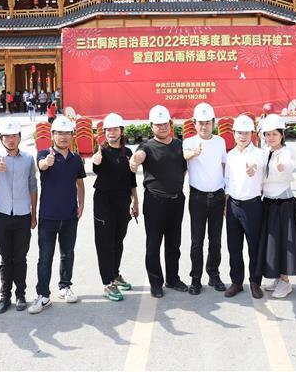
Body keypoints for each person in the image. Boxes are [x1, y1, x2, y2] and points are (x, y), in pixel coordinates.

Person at [129, 105, 188, 298]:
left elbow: (184, 168)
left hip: (176, 200)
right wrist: (135, 160)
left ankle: (173, 278)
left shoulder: (179, 144)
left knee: (174, 244)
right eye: (158, 124)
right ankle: (156, 282)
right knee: (153, 244)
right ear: (151, 126)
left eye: (165, 124)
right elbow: (139, 157)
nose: (162, 127)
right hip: (155, 202)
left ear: (170, 124)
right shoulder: (146, 146)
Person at [31, 116, 85, 312]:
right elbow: (41, 165)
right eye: (59, 133)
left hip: (70, 216)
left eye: (67, 133)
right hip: (48, 216)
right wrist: (47, 162)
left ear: (72, 135)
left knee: (67, 254)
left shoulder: (76, 159)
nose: (63, 137)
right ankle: (43, 295)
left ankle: (65, 286)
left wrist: (81, 204)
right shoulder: (44, 154)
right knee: (45, 257)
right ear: (52, 135)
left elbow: (80, 183)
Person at [0, 118, 38, 314]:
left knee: (20, 258)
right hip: (2, 215)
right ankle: (5, 296)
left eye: (14, 136)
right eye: (6, 136)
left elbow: (33, 186)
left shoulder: (28, 159)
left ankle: (21, 295)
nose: (10, 139)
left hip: (23, 214)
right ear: (1, 138)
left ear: (19, 137)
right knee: (5, 258)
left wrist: (34, 213)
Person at [257, 114, 296, 299]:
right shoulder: (264, 151)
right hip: (268, 202)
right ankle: (277, 277)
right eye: (267, 134)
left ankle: (285, 281)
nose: (271, 137)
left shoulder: (287, 152)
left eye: (274, 134)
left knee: (285, 242)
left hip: (283, 203)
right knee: (272, 242)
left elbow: (288, 165)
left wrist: (282, 167)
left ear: (282, 135)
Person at [91, 113, 139, 302]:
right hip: (104, 203)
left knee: (118, 241)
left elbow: (132, 179)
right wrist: (96, 161)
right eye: (108, 130)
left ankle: (115, 274)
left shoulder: (127, 152)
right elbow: (96, 166)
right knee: (105, 243)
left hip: (122, 202)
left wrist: (135, 201)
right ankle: (107, 282)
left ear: (121, 131)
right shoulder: (101, 151)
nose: (112, 132)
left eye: (115, 129)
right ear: (104, 132)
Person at [183, 102, 228, 294]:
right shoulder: (188, 142)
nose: (204, 126)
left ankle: (214, 275)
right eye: (200, 122)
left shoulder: (220, 142)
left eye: (208, 122)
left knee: (215, 240)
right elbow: (184, 155)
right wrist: (192, 154)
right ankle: (195, 278)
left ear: (213, 123)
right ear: (194, 123)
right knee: (197, 241)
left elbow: (224, 166)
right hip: (197, 198)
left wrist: (226, 194)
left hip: (218, 197)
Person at [223, 115, 265, 299]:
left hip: (252, 206)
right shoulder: (230, 155)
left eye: (246, 133)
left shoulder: (259, 154)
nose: (243, 136)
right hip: (233, 205)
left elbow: (258, 167)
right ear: (233, 133)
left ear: (252, 134)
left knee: (254, 246)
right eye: (239, 133)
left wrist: (253, 169)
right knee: (234, 247)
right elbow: (227, 182)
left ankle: (255, 282)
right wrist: (226, 206)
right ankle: (236, 282)